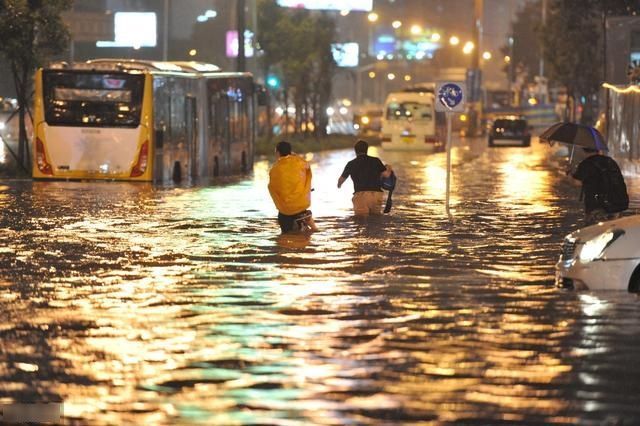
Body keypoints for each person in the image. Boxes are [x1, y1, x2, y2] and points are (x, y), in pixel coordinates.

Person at [567, 147, 629, 225]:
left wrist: (568, 173)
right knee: (614, 231)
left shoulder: (586, 164)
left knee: (593, 233)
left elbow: (576, 183)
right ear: (599, 150)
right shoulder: (610, 161)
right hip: (617, 205)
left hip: (597, 206)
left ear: (583, 151)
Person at [268, 141, 318, 233]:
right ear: (290, 151)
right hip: (301, 204)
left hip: (285, 209)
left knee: (285, 234)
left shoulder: (275, 169)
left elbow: (272, 187)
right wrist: (296, 156)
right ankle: (313, 229)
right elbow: (307, 169)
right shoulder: (300, 163)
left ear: (278, 153)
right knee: (314, 230)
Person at [337, 139, 393, 216]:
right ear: (367, 150)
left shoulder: (351, 164)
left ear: (355, 151)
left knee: (360, 221)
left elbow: (341, 180)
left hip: (361, 195)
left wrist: (339, 185)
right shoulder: (376, 161)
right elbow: (386, 175)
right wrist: (389, 169)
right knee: (376, 221)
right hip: (376, 195)